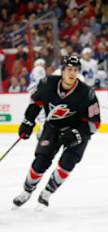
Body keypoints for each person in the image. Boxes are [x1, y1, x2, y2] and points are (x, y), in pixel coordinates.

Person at [12, 56, 101, 210]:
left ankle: (46, 193)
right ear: (62, 71)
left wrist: (76, 134)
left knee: (67, 164)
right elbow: (36, 102)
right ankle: (26, 191)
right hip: (52, 127)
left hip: (77, 130)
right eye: (69, 69)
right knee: (41, 161)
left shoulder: (87, 93)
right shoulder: (48, 83)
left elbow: (94, 123)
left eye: (75, 70)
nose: (72, 73)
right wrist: (28, 121)